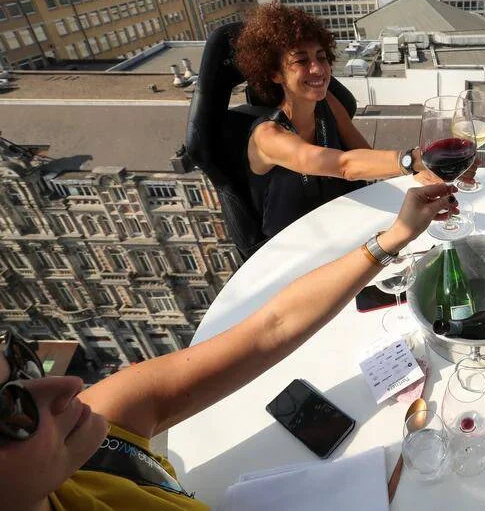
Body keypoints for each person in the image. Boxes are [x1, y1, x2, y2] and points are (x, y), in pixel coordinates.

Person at [0, 184, 458, 511]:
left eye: (20, 364)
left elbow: (269, 328)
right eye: (12, 409)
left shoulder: (100, 428)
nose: (66, 384)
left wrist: (391, 239)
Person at [237, 3, 470, 239]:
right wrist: (416, 160)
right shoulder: (267, 137)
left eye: (322, 57)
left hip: (345, 224)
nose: (318, 69)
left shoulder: (326, 102)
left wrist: (416, 174)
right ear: (274, 74)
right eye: (301, 61)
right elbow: (345, 166)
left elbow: (362, 154)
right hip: (294, 246)